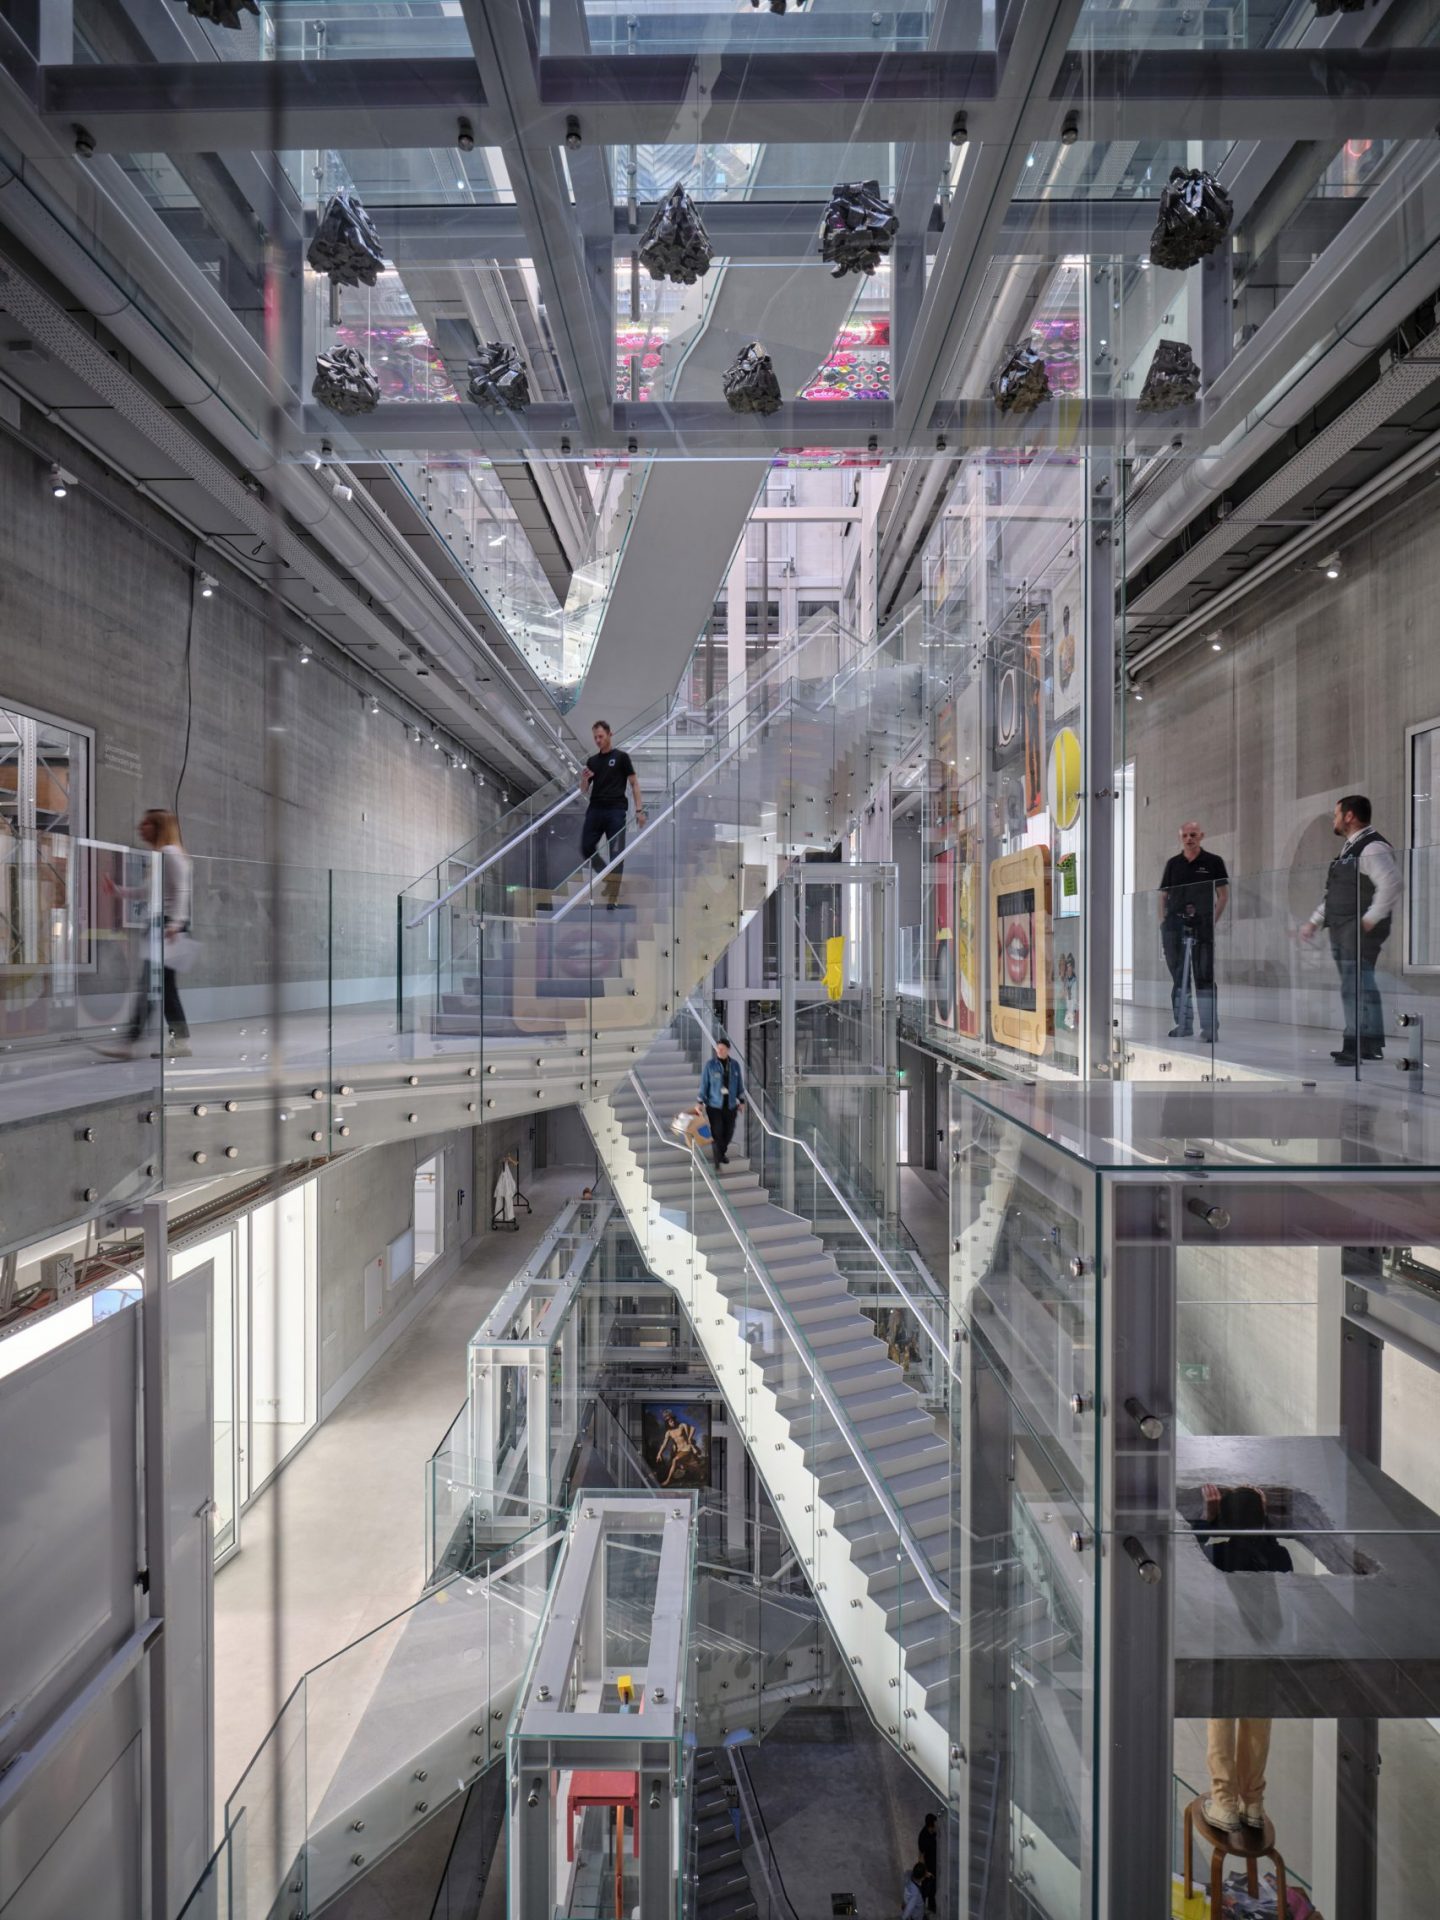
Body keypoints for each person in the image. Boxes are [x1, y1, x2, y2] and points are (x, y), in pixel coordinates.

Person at [1201, 1486, 1292, 1837]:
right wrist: (1261, 1516)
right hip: (1266, 1646)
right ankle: (1253, 1803)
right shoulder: (1280, 1557)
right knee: (1258, 1723)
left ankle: (1224, 1803)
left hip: (1225, 1646)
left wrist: (1210, 1521)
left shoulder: (1217, 1556)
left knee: (1221, 1721)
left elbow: (1184, 1554)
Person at [1299, 793, 1400, 1064]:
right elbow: (1334, 894)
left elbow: (1391, 884)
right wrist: (1314, 921)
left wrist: (1371, 918)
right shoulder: (1350, 849)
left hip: (1358, 928)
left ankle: (1356, 1045)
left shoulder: (1372, 847)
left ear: (1349, 816)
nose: (1334, 819)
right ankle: (1367, 1044)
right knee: (1358, 984)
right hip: (1344, 927)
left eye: (1336, 814)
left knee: (1355, 985)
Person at [98, 808, 193, 1059]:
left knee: (152, 986)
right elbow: (147, 892)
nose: (140, 827)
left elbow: (182, 890)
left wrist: (176, 923)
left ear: (158, 827)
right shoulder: (161, 855)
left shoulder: (169, 853)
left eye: (147, 823)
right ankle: (178, 1041)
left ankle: (131, 1043)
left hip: (167, 927)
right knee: (161, 987)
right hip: (162, 926)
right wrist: (117, 890)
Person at [1158, 821, 1228, 1042]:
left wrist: (1211, 921)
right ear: (1181, 837)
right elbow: (1163, 896)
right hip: (1174, 928)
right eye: (1185, 835)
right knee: (1180, 979)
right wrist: (1164, 924)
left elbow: (1223, 895)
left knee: (1204, 977)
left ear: (1201, 836)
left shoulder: (1213, 862)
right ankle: (1183, 1024)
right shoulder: (1173, 864)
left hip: (1202, 928)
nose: (1189, 838)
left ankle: (1209, 1028)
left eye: (1193, 835)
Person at [579, 721, 645, 908]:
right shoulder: (592, 761)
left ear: (609, 734)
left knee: (616, 853)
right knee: (586, 847)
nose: (598, 740)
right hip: (595, 810)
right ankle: (609, 878)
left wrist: (639, 810)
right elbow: (584, 790)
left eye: (601, 736)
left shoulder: (622, 758)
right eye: (595, 738)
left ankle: (613, 897)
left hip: (616, 812)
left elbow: (634, 784)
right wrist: (584, 779)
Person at [698, 1037, 745, 1171]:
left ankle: (721, 1153)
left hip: (730, 1106)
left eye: (722, 1049)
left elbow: (740, 1085)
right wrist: (700, 1102)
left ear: (728, 1050)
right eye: (717, 1048)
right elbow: (704, 1084)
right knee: (717, 1131)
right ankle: (717, 1161)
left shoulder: (735, 1065)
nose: (719, 1051)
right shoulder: (710, 1065)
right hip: (714, 1105)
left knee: (728, 1133)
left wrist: (741, 1101)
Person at [917, 1812, 939, 1914]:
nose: (936, 1826)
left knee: (933, 1889)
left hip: (934, 1866)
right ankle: (920, 1910)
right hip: (928, 1868)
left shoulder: (933, 1833)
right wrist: (925, 1872)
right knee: (925, 1890)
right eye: (935, 1824)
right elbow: (921, 1856)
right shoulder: (923, 1837)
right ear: (931, 1826)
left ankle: (931, 1906)